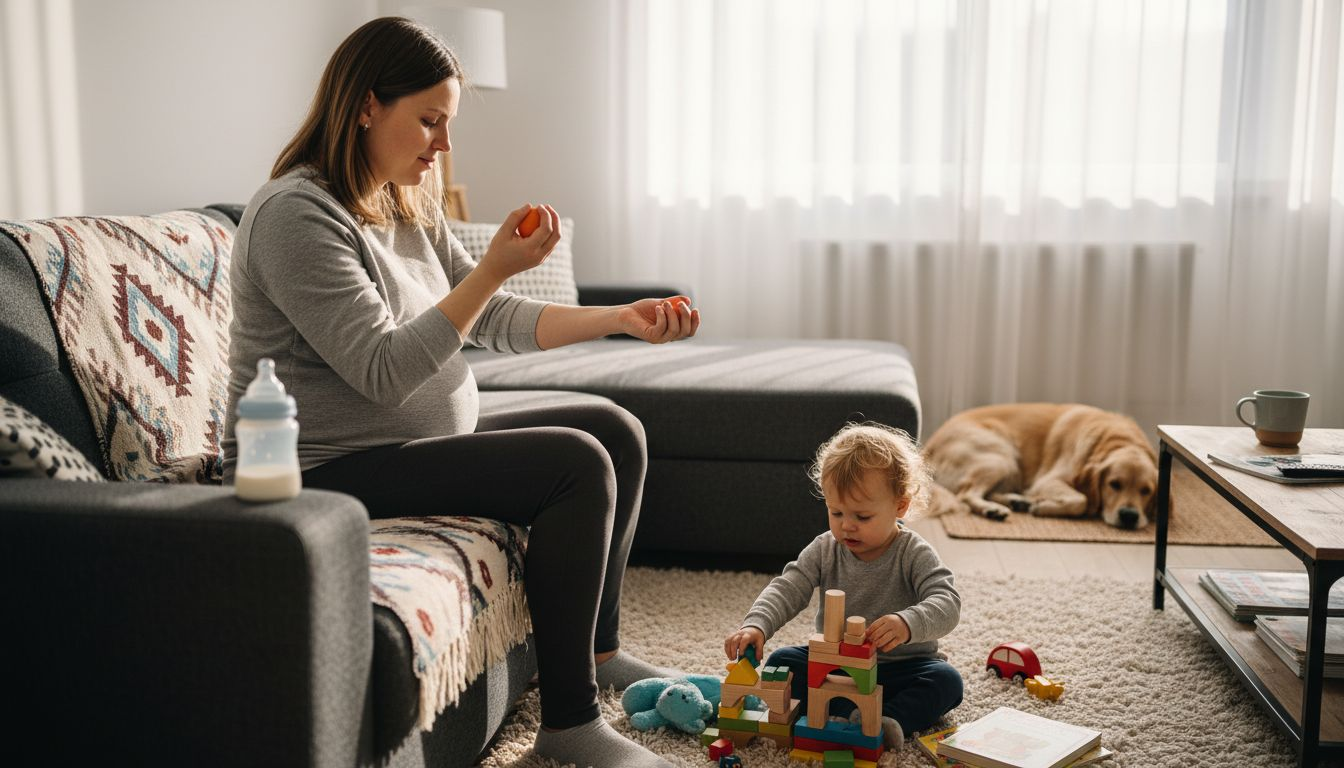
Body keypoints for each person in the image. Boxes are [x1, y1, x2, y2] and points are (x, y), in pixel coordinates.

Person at [221, 17, 698, 768]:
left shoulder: (402, 199)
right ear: (367, 106)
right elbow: (382, 368)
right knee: (575, 462)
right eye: (431, 121)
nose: (443, 145)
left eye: (448, 124)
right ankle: (570, 728)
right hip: (321, 470)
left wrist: (620, 320)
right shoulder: (295, 215)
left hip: (407, 446)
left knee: (614, 428)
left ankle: (598, 656)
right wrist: (491, 269)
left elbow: (492, 319)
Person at [723, 422, 962, 750]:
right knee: (781, 664)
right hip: (834, 666)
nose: (847, 525)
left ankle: (888, 720)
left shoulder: (913, 552)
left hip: (902, 667)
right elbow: (789, 586)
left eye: (862, 517)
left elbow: (947, 602)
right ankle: (841, 712)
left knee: (946, 682)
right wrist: (757, 625)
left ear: (900, 506)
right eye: (836, 512)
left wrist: (907, 623)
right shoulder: (825, 548)